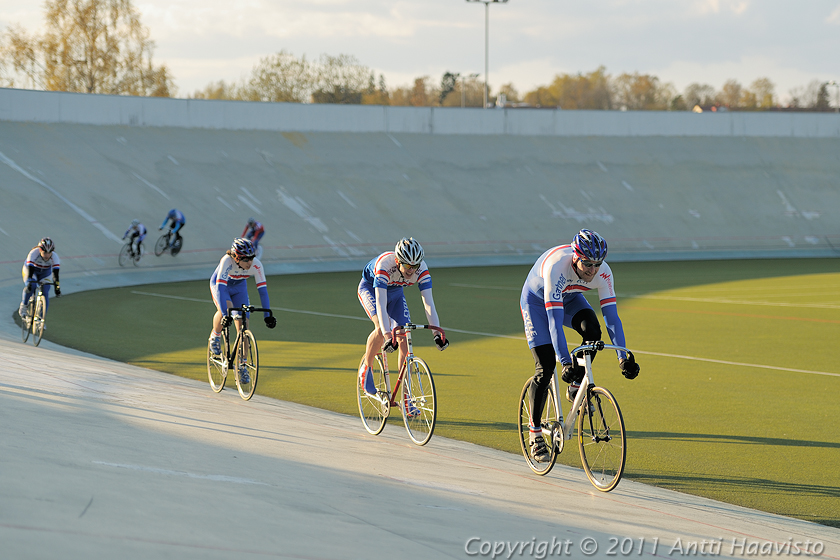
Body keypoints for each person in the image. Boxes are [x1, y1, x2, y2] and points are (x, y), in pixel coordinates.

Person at [520, 229, 640, 462]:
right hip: (536, 303)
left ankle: (576, 386)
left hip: (569, 297)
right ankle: (535, 433)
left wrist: (623, 357)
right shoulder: (557, 267)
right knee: (545, 368)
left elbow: (612, 318)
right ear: (575, 257)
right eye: (587, 264)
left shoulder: (603, 273)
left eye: (597, 264)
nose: (592, 270)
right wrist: (565, 362)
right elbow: (554, 322)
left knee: (593, 331)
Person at [357, 237, 449, 413]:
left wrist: (437, 333)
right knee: (380, 328)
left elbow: (428, 303)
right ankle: (366, 369)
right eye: (407, 266)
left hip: (396, 293)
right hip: (371, 289)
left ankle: (406, 399)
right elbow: (381, 304)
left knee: (404, 338)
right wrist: (387, 335)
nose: (411, 270)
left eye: (415, 266)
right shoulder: (385, 265)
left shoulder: (422, 269)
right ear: (398, 261)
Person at [208, 238, 276, 384]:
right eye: (246, 259)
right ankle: (215, 336)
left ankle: (242, 365)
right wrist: (225, 315)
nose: (249, 262)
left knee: (243, 327)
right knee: (226, 309)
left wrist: (267, 315)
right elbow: (220, 289)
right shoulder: (227, 261)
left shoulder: (256, 265)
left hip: (239, 288)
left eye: (251, 258)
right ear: (236, 257)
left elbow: (263, 291)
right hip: (221, 286)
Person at [19, 237, 61, 318]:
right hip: (31, 271)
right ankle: (24, 305)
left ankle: (41, 318)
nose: (47, 255)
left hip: (45, 273)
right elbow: (30, 269)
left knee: (45, 291)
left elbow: (56, 274)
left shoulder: (55, 257)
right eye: (45, 252)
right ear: (40, 250)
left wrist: (57, 287)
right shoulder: (33, 253)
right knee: (32, 286)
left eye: (49, 253)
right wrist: (29, 281)